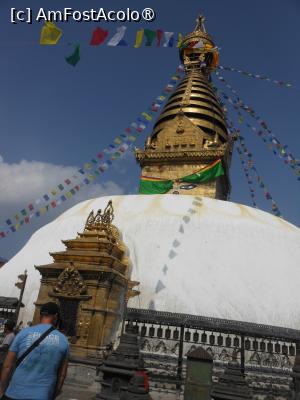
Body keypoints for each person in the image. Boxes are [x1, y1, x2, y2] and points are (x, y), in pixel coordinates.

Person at [0, 302, 69, 400]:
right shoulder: (63, 340)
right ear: (56, 316)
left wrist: (2, 390)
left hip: (14, 393)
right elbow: (62, 375)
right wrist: (53, 394)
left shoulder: (23, 333)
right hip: (41, 395)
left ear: (40, 315)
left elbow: (7, 366)